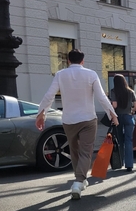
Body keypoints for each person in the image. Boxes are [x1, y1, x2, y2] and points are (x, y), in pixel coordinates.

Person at [36, 49, 119, 199]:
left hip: (68, 120)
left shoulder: (61, 75)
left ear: (68, 60)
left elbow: (49, 95)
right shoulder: (91, 74)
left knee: (74, 151)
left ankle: (79, 180)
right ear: (82, 61)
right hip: (88, 119)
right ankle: (79, 181)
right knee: (85, 151)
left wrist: (42, 113)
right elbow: (101, 97)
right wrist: (112, 114)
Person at [110, 74, 136, 172]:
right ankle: (129, 165)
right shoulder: (131, 91)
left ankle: (120, 162)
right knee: (129, 140)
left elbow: (114, 105)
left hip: (117, 118)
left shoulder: (114, 91)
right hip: (128, 117)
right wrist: (131, 110)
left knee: (119, 140)